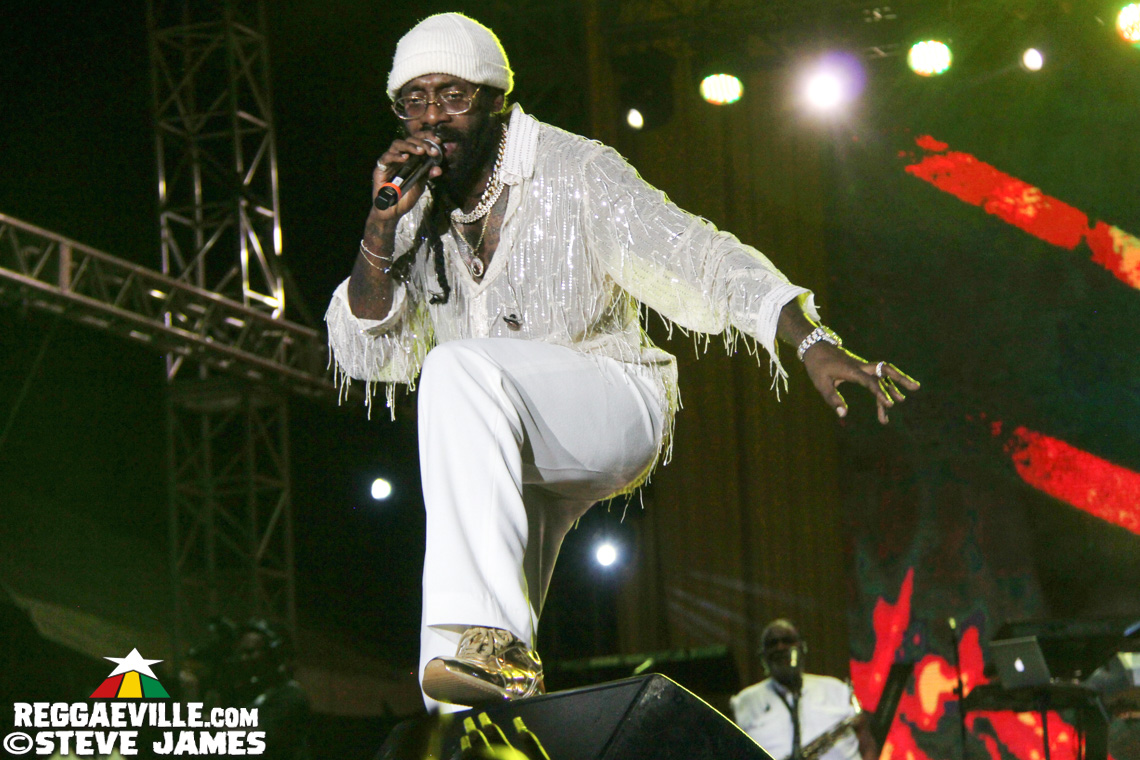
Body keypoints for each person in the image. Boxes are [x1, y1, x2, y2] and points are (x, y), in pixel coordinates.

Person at [324, 12, 920, 713]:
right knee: (458, 682)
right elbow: (361, 349)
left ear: (494, 101)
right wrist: (379, 229)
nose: (432, 118)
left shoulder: (576, 170)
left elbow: (699, 253)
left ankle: (490, 648)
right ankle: (478, 702)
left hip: (613, 401)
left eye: (452, 96)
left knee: (456, 370)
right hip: (510, 437)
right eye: (414, 100)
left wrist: (810, 339)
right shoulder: (419, 212)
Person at [730, 620, 877, 760]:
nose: (780, 648)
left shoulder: (835, 688)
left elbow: (867, 743)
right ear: (762, 656)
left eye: (787, 640)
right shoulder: (744, 702)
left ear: (802, 647)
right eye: (772, 643)